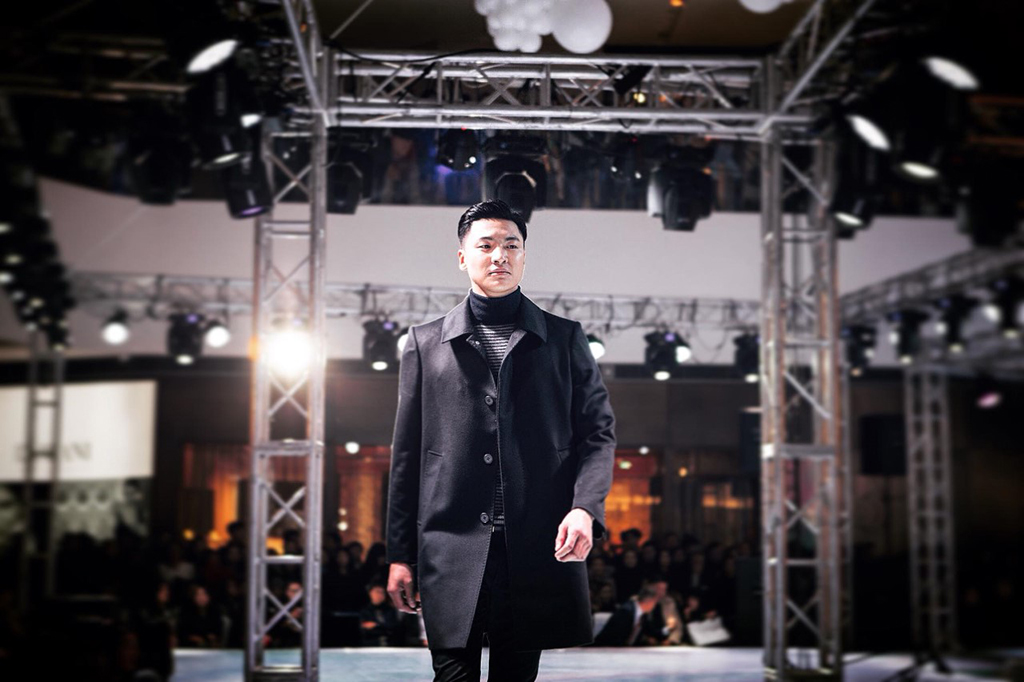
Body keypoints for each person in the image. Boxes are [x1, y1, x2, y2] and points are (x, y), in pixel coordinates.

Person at [386, 199, 616, 681]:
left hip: (531, 548)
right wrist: (399, 555)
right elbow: (407, 458)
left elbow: (598, 435)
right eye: (486, 245)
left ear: (524, 256)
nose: (499, 256)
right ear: (462, 257)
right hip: (450, 547)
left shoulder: (563, 339)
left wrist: (584, 507)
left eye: (511, 245)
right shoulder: (425, 344)